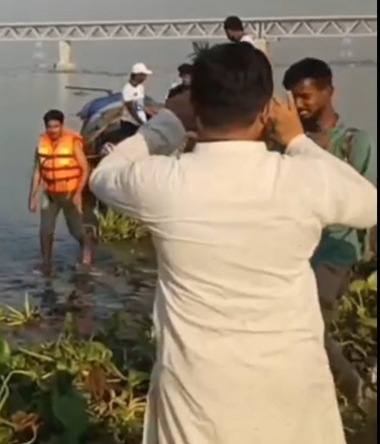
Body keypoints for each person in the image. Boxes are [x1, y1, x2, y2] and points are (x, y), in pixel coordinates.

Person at [89, 42, 376, 443]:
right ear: (266, 111)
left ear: (198, 108)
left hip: (196, 401)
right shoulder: (301, 180)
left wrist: (168, 123)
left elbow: (104, 176)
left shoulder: (165, 184)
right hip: (292, 393)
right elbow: (368, 205)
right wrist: (296, 141)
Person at [282, 57, 377, 409]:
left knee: (309, 325)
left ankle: (355, 395)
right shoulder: (287, 145)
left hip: (338, 251)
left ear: (329, 92)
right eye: (293, 98)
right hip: (297, 252)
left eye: (305, 96)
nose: (299, 105)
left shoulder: (356, 143)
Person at [28, 109, 94, 271]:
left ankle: (87, 257)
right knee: (45, 231)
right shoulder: (42, 144)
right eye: (50, 127)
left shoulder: (72, 142)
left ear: (62, 126)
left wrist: (78, 193)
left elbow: (85, 169)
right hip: (50, 194)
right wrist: (32, 196)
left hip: (70, 193)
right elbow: (38, 171)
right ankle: (46, 263)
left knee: (76, 230)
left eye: (56, 127)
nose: (53, 130)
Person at [119, 62, 153, 139]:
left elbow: (140, 104)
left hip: (139, 121)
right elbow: (130, 108)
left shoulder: (140, 87)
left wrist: (149, 115)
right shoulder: (128, 89)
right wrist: (140, 122)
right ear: (137, 75)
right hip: (129, 123)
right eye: (144, 75)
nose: (145, 77)